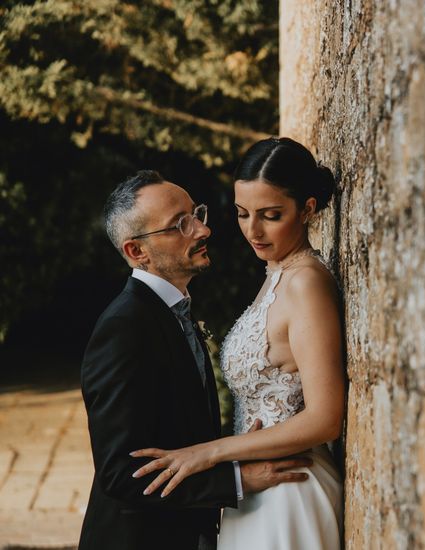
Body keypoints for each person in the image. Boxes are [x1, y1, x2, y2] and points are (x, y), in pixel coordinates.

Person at [130, 138, 346, 549]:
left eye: (271, 215)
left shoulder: (307, 285)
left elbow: (324, 418)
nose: (253, 230)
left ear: (308, 209)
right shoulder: (276, 273)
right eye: (243, 214)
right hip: (255, 487)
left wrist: (209, 453)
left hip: (291, 489)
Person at [80, 170, 313, 550]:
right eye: (180, 225)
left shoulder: (172, 309)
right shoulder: (123, 329)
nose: (202, 231)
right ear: (137, 252)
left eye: (196, 215)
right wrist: (237, 481)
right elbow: (121, 474)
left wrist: (233, 454)